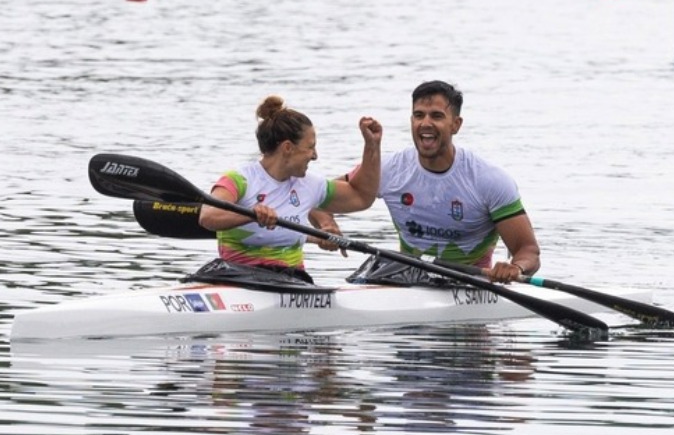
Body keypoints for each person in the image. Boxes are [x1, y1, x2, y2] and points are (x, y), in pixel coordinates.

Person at [321, 80, 540, 284]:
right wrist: (326, 226)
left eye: (436, 116)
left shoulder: (489, 180)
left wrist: (516, 268)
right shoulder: (388, 169)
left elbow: (528, 250)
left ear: (456, 124)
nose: (425, 123)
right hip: (407, 280)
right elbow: (317, 198)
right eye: (418, 115)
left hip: (471, 284)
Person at [198, 95, 382, 282]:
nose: (315, 156)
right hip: (238, 280)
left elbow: (361, 197)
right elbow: (208, 217)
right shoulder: (240, 180)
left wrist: (372, 146)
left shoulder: (311, 185)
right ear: (288, 147)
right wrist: (251, 214)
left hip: (292, 283)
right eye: (311, 147)